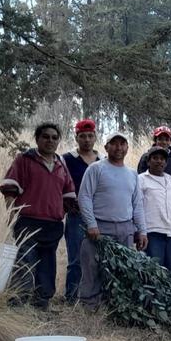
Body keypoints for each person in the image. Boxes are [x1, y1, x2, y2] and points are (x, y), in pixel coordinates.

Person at [0, 122, 76, 310]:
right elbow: (10, 189)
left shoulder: (60, 164)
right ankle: (18, 303)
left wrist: (59, 212)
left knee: (47, 263)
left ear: (58, 141)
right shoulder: (24, 160)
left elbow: (68, 196)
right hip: (27, 221)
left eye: (54, 137)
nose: (50, 140)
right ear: (37, 139)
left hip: (52, 224)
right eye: (46, 136)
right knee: (25, 261)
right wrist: (12, 215)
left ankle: (42, 303)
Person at [77, 133, 147, 309]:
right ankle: (89, 306)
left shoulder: (132, 174)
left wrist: (142, 231)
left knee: (120, 270)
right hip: (99, 228)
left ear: (127, 148)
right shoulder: (96, 168)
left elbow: (137, 204)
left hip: (125, 229)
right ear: (106, 147)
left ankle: (115, 307)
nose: (118, 147)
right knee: (92, 267)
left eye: (122, 144)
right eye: (114, 144)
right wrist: (91, 224)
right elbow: (84, 197)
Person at [61, 118, 99, 303]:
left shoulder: (102, 161)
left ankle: (92, 295)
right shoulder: (66, 159)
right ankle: (71, 296)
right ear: (76, 138)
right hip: (76, 215)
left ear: (95, 137)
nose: (86, 140)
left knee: (95, 257)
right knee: (75, 257)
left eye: (90, 136)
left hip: (98, 216)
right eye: (82, 136)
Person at [140, 145, 171, 280]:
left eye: (162, 159)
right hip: (152, 231)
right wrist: (140, 231)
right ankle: (153, 300)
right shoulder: (141, 180)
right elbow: (137, 207)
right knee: (154, 271)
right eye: (155, 158)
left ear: (166, 163)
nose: (159, 161)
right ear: (148, 161)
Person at [137, 126, 171, 206]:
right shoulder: (146, 158)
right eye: (160, 139)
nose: (163, 142)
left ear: (170, 141)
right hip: (150, 203)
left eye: (167, 139)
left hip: (170, 204)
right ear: (155, 140)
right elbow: (140, 181)